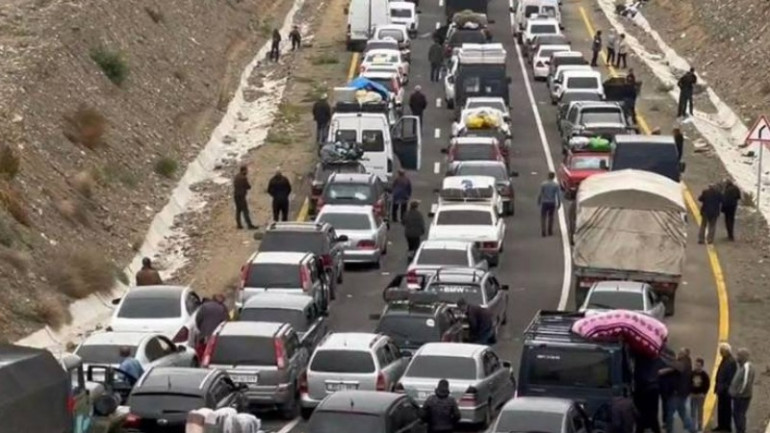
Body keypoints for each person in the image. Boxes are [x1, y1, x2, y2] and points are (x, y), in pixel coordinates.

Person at [659, 348, 696, 433]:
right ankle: (692, 429)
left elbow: (677, 366)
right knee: (682, 412)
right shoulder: (685, 362)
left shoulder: (684, 362)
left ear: (684, 354)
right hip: (681, 392)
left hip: (677, 392)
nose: (678, 354)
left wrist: (664, 359)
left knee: (670, 413)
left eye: (680, 353)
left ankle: (669, 430)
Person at [633, 354, 663, 433]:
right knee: (653, 415)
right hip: (653, 388)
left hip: (641, 388)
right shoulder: (656, 358)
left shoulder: (639, 359)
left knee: (641, 415)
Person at [195, 294, 230, 358]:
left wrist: (202, 329)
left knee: (201, 354)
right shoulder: (223, 309)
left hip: (204, 336)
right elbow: (225, 323)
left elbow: (198, 319)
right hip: (216, 338)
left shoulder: (204, 306)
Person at [729, 348, 754, 433]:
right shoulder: (741, 366)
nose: (737, 357)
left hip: (742, 397)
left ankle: (741, 431)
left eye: (738, 355)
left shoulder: (747, 367)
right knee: (736, 415)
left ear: (743, 356)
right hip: (739, 396)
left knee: (740, 415)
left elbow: (746, 382)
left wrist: (739, 393)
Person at [714, 343, 738, 432]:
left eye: (721, 351)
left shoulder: (731, 362)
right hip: (721, 389)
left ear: (726, 351)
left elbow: (730, 377)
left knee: (726, 409)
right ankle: (721, 425)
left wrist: (724, 387)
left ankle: (726, 427)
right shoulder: (725, 360)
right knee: (721, 408)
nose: (720, 353)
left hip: (726, 390)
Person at [537, 172, 562, 237]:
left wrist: (539, 200)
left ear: (548, 176)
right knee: (551, 216)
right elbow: (558, 195)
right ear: (553, 177)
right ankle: (550, 230)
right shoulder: (555, 185)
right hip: (552, 202)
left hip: (545, 202)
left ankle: (543, 230)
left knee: (543, 217)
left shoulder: (543, 184)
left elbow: (540, 193)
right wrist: (559, 203)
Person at [233, 165, 258, 230]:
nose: (247, 172)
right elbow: (248, 186)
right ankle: (249, 225)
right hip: (241, 196)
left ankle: (239, 225)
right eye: (246, 170)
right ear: (243, 171)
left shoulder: (236, 176)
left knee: (238, 210)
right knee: (245, 210)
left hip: (236, 195)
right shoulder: (243, 178)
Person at [690, 357, 711, 432]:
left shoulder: (704, 375)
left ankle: (700, 426)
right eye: (696, 365)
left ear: (702, 366)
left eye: (698, 365)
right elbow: (688, 383)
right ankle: (693, 426)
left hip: (700, 395)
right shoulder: (692, 373)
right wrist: (690, 392)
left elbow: (707, 385)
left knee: (700, 411)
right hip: (693, 394)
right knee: (692, 411)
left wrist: (704, 393)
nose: (697, 367)